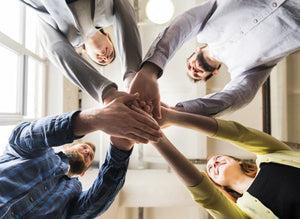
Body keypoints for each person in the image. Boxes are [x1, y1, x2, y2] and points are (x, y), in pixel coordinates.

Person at [129, 0, 300, 118]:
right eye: (197, 74)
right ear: (215, 72)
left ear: (196, 50)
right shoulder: (242, 70)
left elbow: (183, 24)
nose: (194, 69)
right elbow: (236, 97)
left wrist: (150, 70)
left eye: (190, 66)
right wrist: (178, 112)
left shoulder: (204, 28)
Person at [0, 94, 161, 218]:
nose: (87, 152)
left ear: (83, 173)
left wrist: (121, 147)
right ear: (67, 146)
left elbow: (94, 204)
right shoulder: (40, 151)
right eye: (84, 147)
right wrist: (95, 119)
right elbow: (23, 136)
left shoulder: (74, 191)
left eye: (90, 157)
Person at [135, 105, 300, 218]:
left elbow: (239, 134)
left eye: (218, 158)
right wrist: (155, 137)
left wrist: (172, 117)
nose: (214, 163)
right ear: (217, 185)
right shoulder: (243, 212)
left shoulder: (271, 155)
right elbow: (208, 198)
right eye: (210, 169)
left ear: (238, 161)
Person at [19, 0, 142, 104]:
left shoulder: (67, 39)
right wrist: (132, 75)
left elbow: (54, 47)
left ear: (86, 53)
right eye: (110, 54)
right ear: (108, 37)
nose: (105, 57)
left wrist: (105, 92)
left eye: (101, 60)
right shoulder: (108, 14)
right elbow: (126, 14)